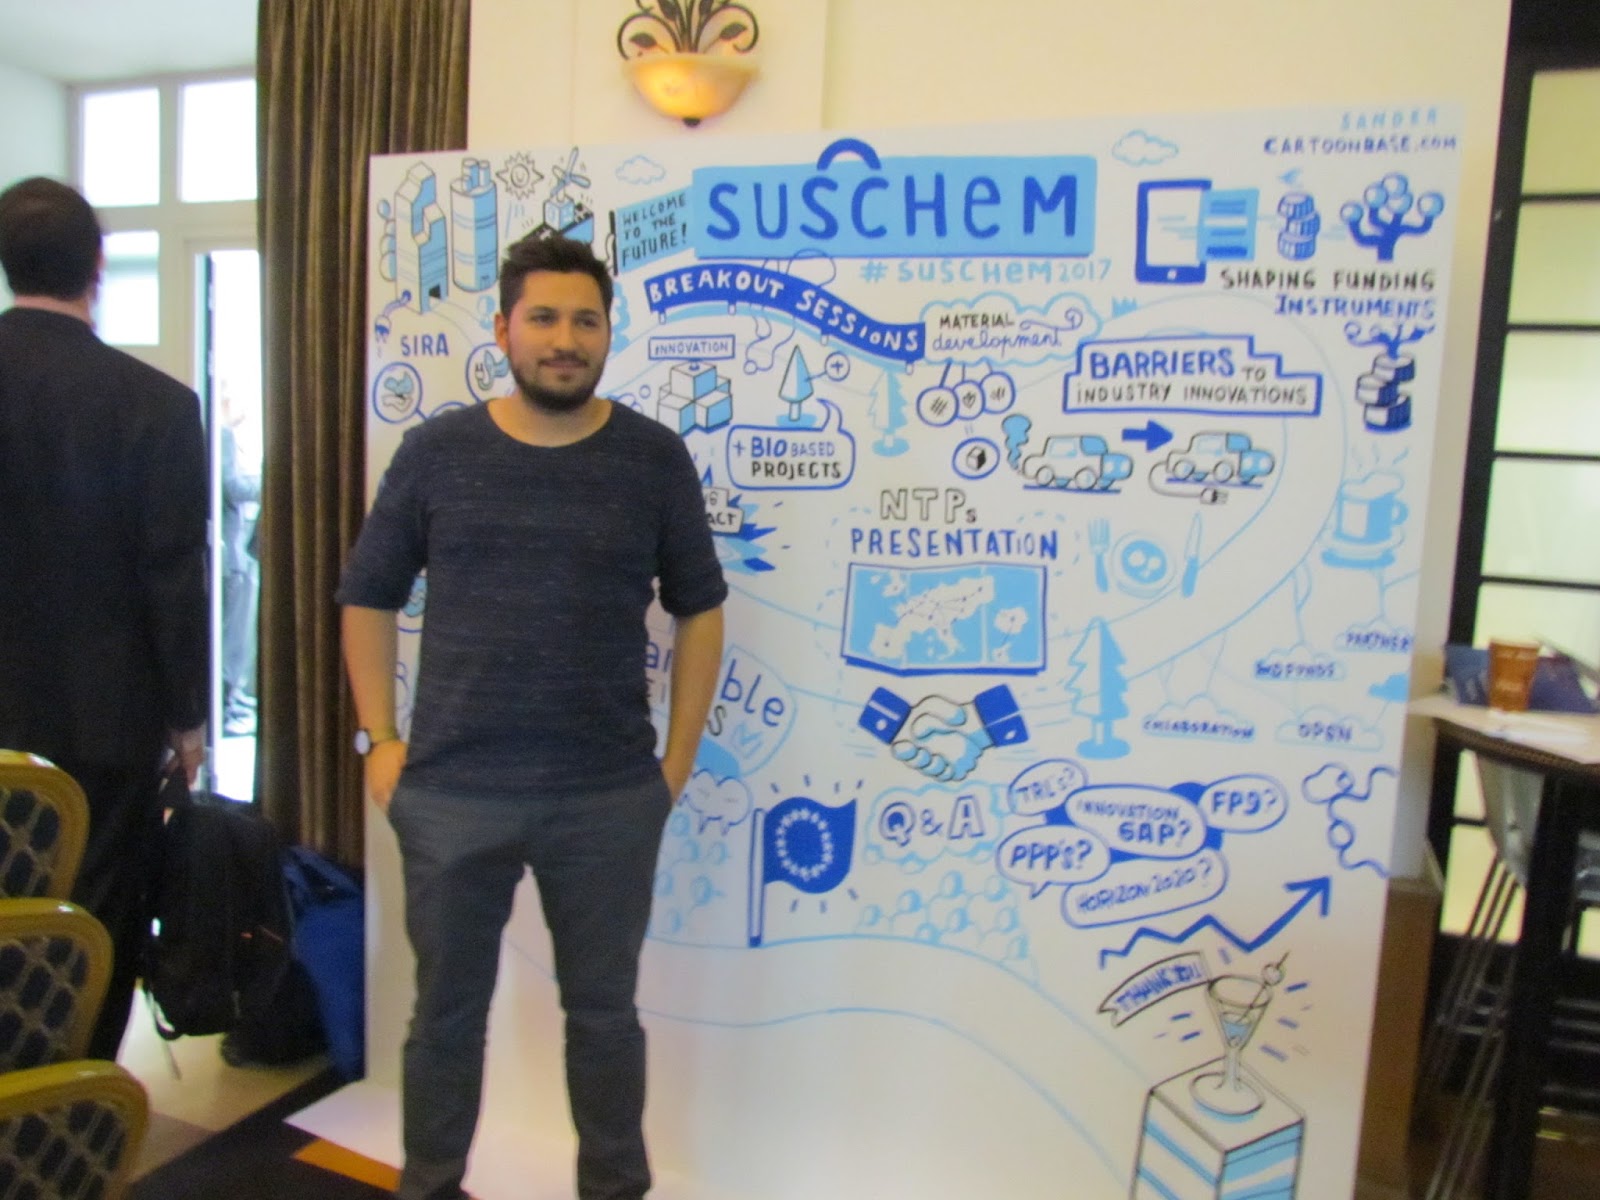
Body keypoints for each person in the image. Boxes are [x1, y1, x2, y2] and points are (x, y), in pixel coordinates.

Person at [338, 233, 726, 1200]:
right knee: (444, 1020)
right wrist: (380, 738)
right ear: (504, 328)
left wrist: (674, 765)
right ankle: (431, 1185)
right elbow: (367, 594)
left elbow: (701, 607)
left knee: (605, 1020)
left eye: (585, 321)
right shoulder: (436, 453)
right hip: (452, 792)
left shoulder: (652, 457)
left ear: (609, 333)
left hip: (605, 797)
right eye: (544, 317)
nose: (565, 339)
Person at [0, 176, 208, 1059]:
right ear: (98, 265)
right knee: (93, 915)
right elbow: (173, 576)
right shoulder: (156, 405)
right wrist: (189, 718)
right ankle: (73, 1101)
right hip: (105, 719)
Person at [219, 382, 261, 736]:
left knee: (239, 634)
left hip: (238, 548)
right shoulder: (223, 435)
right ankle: (226, 702)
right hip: (232, 552)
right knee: (234, 635)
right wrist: (272, 482)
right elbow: (232, 486)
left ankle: (234, 697)